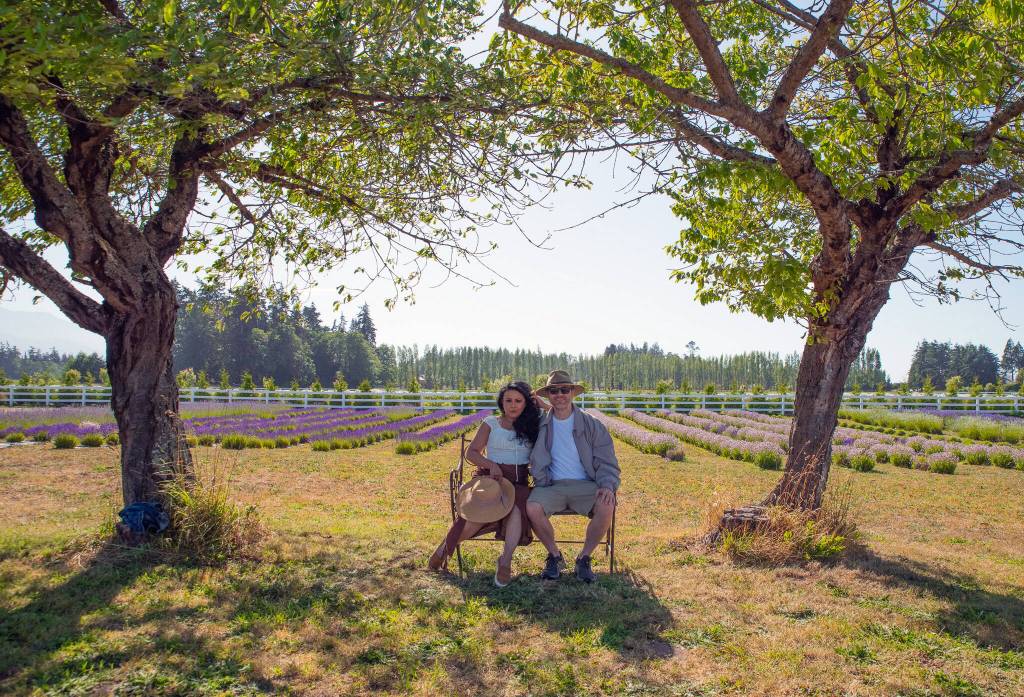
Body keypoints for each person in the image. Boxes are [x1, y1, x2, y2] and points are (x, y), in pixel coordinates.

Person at [428, 380, 541, 586]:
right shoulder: (491, 423)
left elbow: (560, 415)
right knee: (478, 515)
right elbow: (471, 452)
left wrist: (539, 402)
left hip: (519, 482)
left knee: (517, 509)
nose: (513, 405)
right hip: (491, 479)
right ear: (501, 402)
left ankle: (505, 561)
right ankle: (445, 548)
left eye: (518, 400)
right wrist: (490, 464)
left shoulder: (533, 425)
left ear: (526, 403)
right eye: (508, 400)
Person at [527, 370, 619, 583]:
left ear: (572, 393)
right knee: (533, 507)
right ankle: (554, 556)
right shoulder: (540, 424)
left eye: (564, 389)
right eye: (554, 390)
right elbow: (514, 412)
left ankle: (584, 558)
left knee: (606, 504)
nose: (560, 394)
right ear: (548, 395)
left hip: (586, 484)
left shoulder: (592, 424)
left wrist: (606, 484)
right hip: (552, 485)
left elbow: (606, 459)